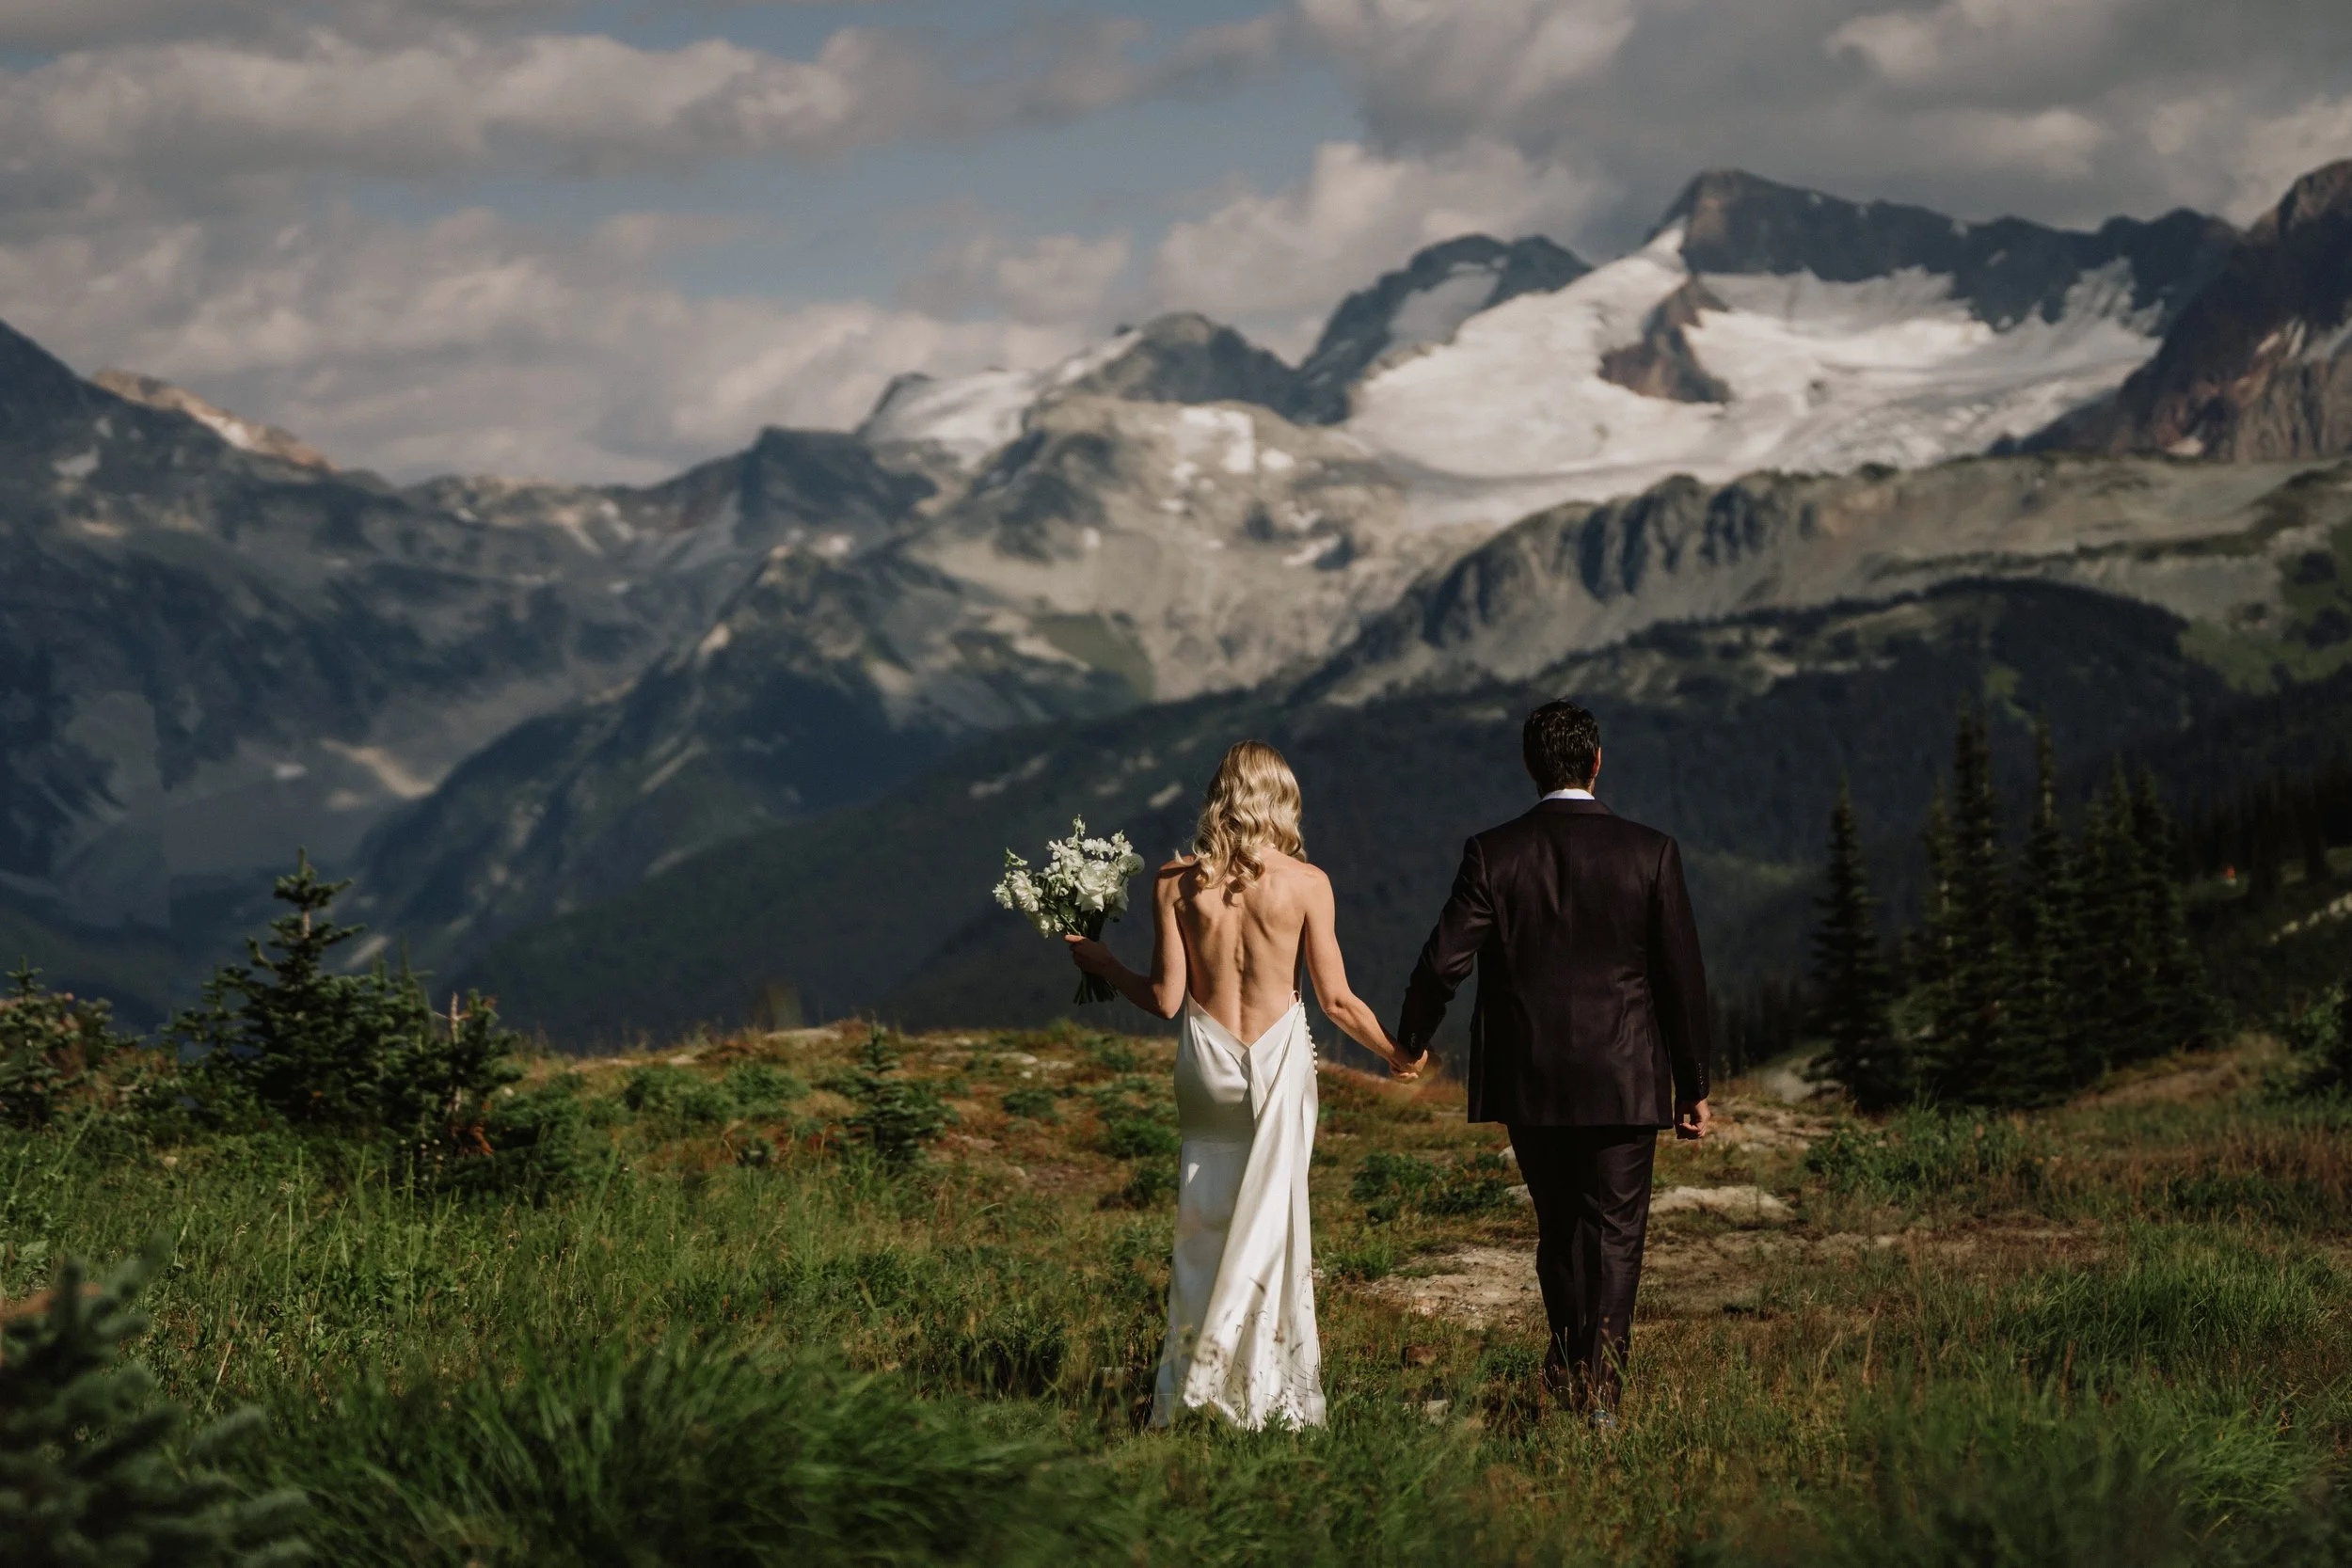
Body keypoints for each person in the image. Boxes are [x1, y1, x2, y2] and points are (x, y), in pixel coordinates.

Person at [1067, 739, 1419, 1429]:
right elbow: (1338, 1000)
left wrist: (1105, 965)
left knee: (1203, 1220)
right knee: (1277, 1225)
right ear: (1280, 800)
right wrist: (1397, 1053)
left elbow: (1168, 1000)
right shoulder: (1307, 883)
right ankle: (1264, 1393)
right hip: (1278, 1062)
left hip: (1207, 1065)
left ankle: (1190, 1382)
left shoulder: (1173, 882)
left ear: (1219, 798)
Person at [1393, 700, 1711, 1422]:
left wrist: (1411, 1039)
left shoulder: (1493, 851)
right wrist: (1692, 1084)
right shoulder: (1651, 850)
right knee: (1615, 1232)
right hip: (1626, 1073)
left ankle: (1572, 1365)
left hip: (1530, 1077)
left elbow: (1444, 962)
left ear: (1532, 769)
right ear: (1597, 762)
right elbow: (1681, 978)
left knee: (1560, 1224)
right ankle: (1597, 1390)